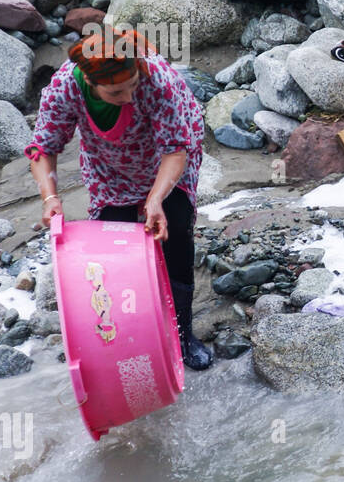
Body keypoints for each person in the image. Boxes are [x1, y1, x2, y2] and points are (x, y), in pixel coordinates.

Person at [24, 27, 213, 369]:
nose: (128, 97)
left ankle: (182, 331)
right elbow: (43, 148)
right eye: (115, 93)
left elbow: (175, 150)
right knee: (115, 249)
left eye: (132, 87)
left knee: (176, 230)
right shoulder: (65, 88)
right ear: (91, 84)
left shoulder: (158, 80)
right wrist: (49, 198)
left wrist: (155, 199)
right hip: (109, 168)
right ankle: (130, 333)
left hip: (168, 158)